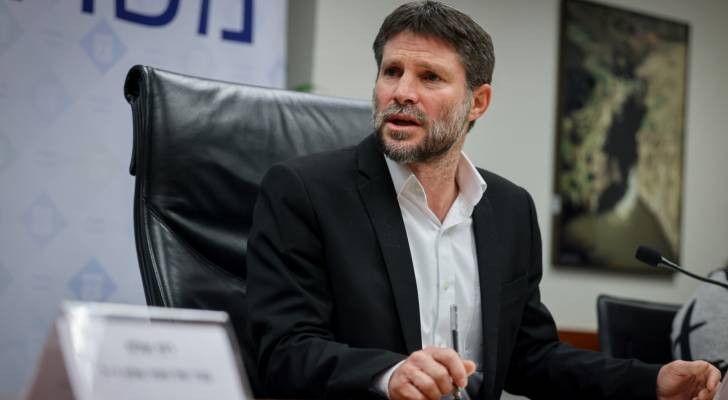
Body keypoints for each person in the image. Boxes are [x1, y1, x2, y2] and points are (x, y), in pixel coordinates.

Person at [246, 1, 722, 399]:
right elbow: (284, 351)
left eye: (430, 77)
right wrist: (388, 376)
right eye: (392, 71)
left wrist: (649, 382)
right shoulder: (305, 192)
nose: (402, 92)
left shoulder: (510, 210)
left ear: (478, 102)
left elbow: (530, 357)